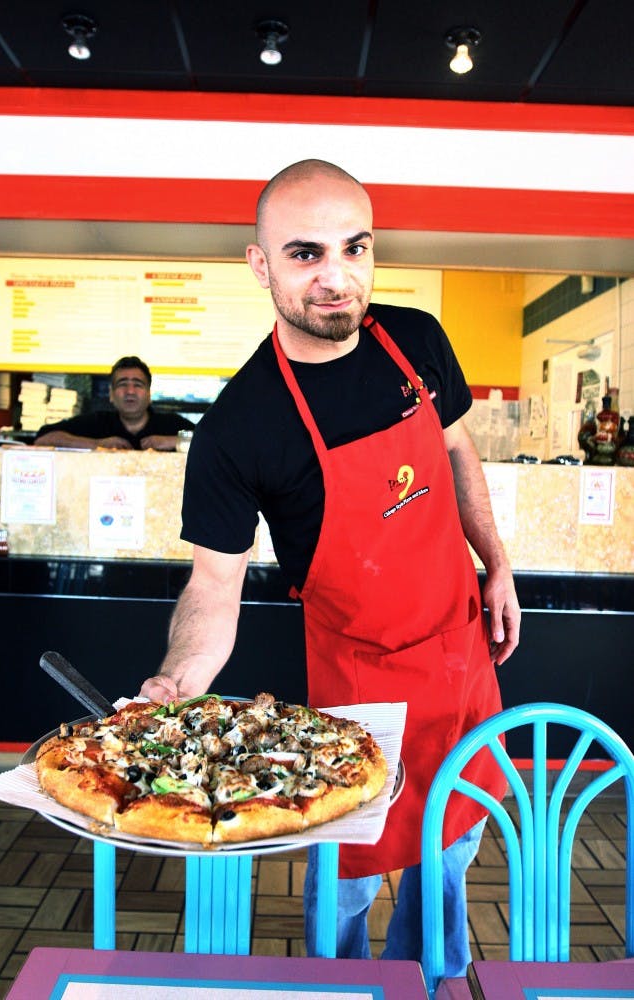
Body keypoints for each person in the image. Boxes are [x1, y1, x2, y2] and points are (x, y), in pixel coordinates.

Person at [140, 159, 521, 971]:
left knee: (448, 858)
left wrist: (496, 563)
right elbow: (213, 584)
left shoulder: (413, 338)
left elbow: (456, 451)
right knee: (346, 878)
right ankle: (338, 986)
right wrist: (178, 680)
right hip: (357, 700)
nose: (335, 278)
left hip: (458, 664)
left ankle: (427, 984)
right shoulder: (240, 428)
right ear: (260, 264)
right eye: (306, 254)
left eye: (355, 248)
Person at [33, 355, 194, 451]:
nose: (130, 391)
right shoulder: (96, 423)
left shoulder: (171, 424)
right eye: (122, 384)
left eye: (138, 384)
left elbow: (214, 445)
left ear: (149, 394)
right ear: (111, 394)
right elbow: (43, 439)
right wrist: (97, 444)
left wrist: (174, 441)